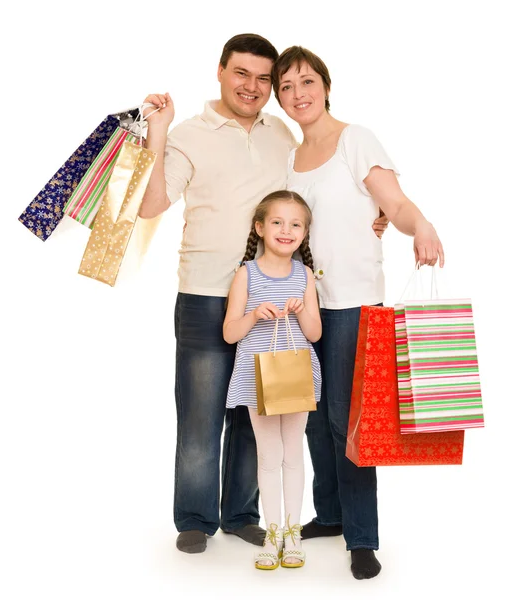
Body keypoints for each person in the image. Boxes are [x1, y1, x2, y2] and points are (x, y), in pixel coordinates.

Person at [139, 33, 387, 555]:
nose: (251, 86)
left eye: (262, 78)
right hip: (207, 292)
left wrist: (375, 213)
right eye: (241, 73)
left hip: (280, 298)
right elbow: (150, 205)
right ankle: (195, 517)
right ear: (221, 71)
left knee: (262, 408)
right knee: (202, 414)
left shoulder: (283, 136)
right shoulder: (189, 133)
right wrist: (156, 135)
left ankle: (241, 514)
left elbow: (316, 195)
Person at [272, 46, 445, 579]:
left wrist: (421, 227)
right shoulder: (289, 157)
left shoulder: (355, 139)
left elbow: (393, 204)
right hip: (302, 303)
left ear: (325, 85)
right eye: (287, 87)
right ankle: (330, 514)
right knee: (312, 412)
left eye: (306, 82)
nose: (297, 94)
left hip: (351, 301)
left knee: (350, 417)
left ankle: (362, 536)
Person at [223, 190, 321, 569]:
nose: (287, 230)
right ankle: (273, 532)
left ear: (305, 233)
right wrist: (253, 316)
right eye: (277, 222)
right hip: (255, 374)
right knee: (269, 455)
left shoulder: (305, 275)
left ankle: (294, 533)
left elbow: (314, 334)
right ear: (260, 228)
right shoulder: (246, 273)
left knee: (293, 453)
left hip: (297, 373)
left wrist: (298, 312)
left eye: (296, 224)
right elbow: (231, 333)